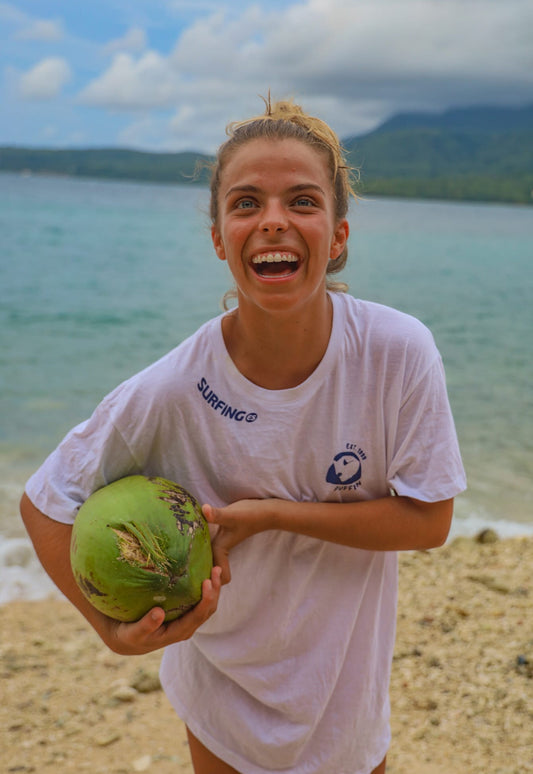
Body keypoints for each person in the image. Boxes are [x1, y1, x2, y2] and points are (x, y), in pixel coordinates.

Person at [20, 97, 466, 774]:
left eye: (302, 201)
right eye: (246, 203)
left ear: (337, 236)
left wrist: (273, 515)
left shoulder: (395, 353)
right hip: (223, 693)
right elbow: (45, 501)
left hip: (344, 693)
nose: (273, 220)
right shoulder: (175, 387)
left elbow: (430, 519)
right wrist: (109, 630)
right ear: (219, 238)